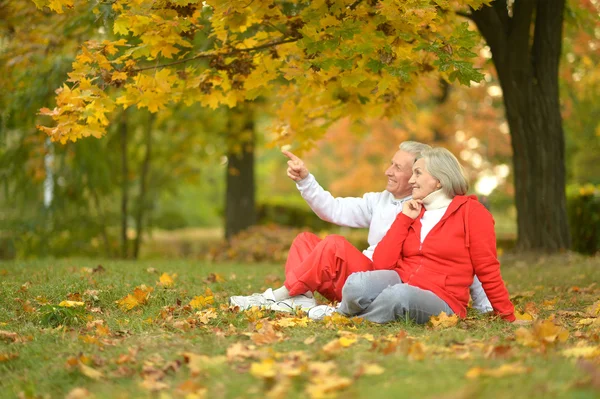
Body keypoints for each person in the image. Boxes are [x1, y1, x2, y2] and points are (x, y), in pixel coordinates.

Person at [229, 142, 492, 314]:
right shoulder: (379, 201)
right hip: (355, 276)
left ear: (418, 174)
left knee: (333, 245)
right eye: (391, 163)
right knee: (305, 240)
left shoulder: (428, 208)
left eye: (397, 167)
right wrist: (305, 180)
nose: (388, 171)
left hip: (380, 281)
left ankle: (278, 296)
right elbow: (332, 209)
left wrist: (484, 305)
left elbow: (468, 256)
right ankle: (300, 298)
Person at [308, 147, 515, 323]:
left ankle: (345, 318)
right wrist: (404, 219)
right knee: (356, 283)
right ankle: (345, 312)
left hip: (443, 297)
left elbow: (487, 268)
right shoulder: (415, 210)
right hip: (402, 279)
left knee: (398, 296)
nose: (411, 180)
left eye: (417, 173)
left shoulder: (473, 213)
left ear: (439, 181)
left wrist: (507, 315)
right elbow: (381, 263)